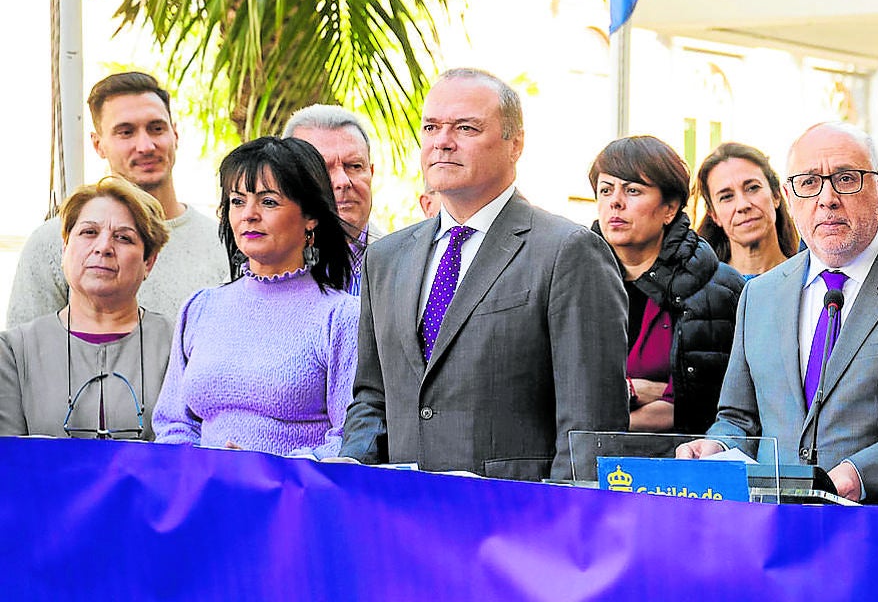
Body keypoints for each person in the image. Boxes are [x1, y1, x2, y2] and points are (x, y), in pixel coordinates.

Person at [678, 122, 878, 506]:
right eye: (809, 183)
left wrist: (861, 474)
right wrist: (716, 445)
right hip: (774, 537)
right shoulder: (759, 295)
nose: (826, 199)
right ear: (790, 199)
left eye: (845, 179)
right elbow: (739, 418)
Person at [340, 68, 628, 480]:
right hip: (401, 518)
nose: (442, 140)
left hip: (513, 522)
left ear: (516, 143)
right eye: (431, 127)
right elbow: (372, 397)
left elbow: (589, 424)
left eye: (465, 127)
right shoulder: (385, 258)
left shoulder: (568, 251)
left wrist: (562, 527)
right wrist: (352, 472)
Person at [153, 137, 359, 458]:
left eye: (268, 202)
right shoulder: (200, 308)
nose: (249, 214)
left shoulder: (341, 316)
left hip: (293, 501)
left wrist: (266, 471)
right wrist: (204, 467)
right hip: (203, 497)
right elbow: (172, 423)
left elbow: (350, 436)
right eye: (237, 201)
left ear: (310, 217)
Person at [8, 72, 227, 328]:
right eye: (126, 132)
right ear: (98, 144)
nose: (145, 146)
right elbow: (23, 358)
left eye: (156, 128)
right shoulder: (53, 243)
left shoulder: (222, 244)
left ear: (175, 134)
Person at [590, 136, 743, 434]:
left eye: (633, 190)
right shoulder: (574, 281)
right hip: (580, 465)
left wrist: (611, 416)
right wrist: (641, 390)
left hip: (678, 467)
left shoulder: (717, 289)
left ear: (669, 209)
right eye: (606, 190)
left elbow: (699, 408)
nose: (615, 202)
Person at [0, 177, 172, 438]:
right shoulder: (14, 351)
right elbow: (9, 461)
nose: (103, 247)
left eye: (123, 238)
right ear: (65, 247)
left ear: (149, 261)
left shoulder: (177, 346)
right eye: (89, 232)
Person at [284, 104, 381, 295]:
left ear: (371, 172)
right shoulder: (254, 270)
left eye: (354, 166)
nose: (343, 182)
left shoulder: (409, 267)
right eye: (323, 170)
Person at [694, 142, 799, 277]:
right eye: (726, 197)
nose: (743, 205)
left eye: (752, 188)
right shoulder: (698, 290)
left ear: (776, 195)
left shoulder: (809, 280)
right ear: (714, 215)